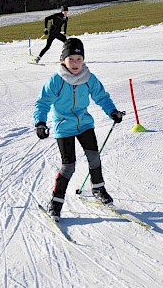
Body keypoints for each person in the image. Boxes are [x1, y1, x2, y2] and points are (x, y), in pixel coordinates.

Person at [33, 38, 124, 221]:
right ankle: (56, 203)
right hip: (63, 127)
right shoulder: (57, 80)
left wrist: (112, 111)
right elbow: (42, 103)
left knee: (94, 157)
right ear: (63, 60)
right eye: (71, 59)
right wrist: (40, 123)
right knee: (69, 166)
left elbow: (101, 97)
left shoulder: (88, 77)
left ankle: (98, 188)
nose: (75, 64)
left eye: (79, 59)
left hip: (84, 124)